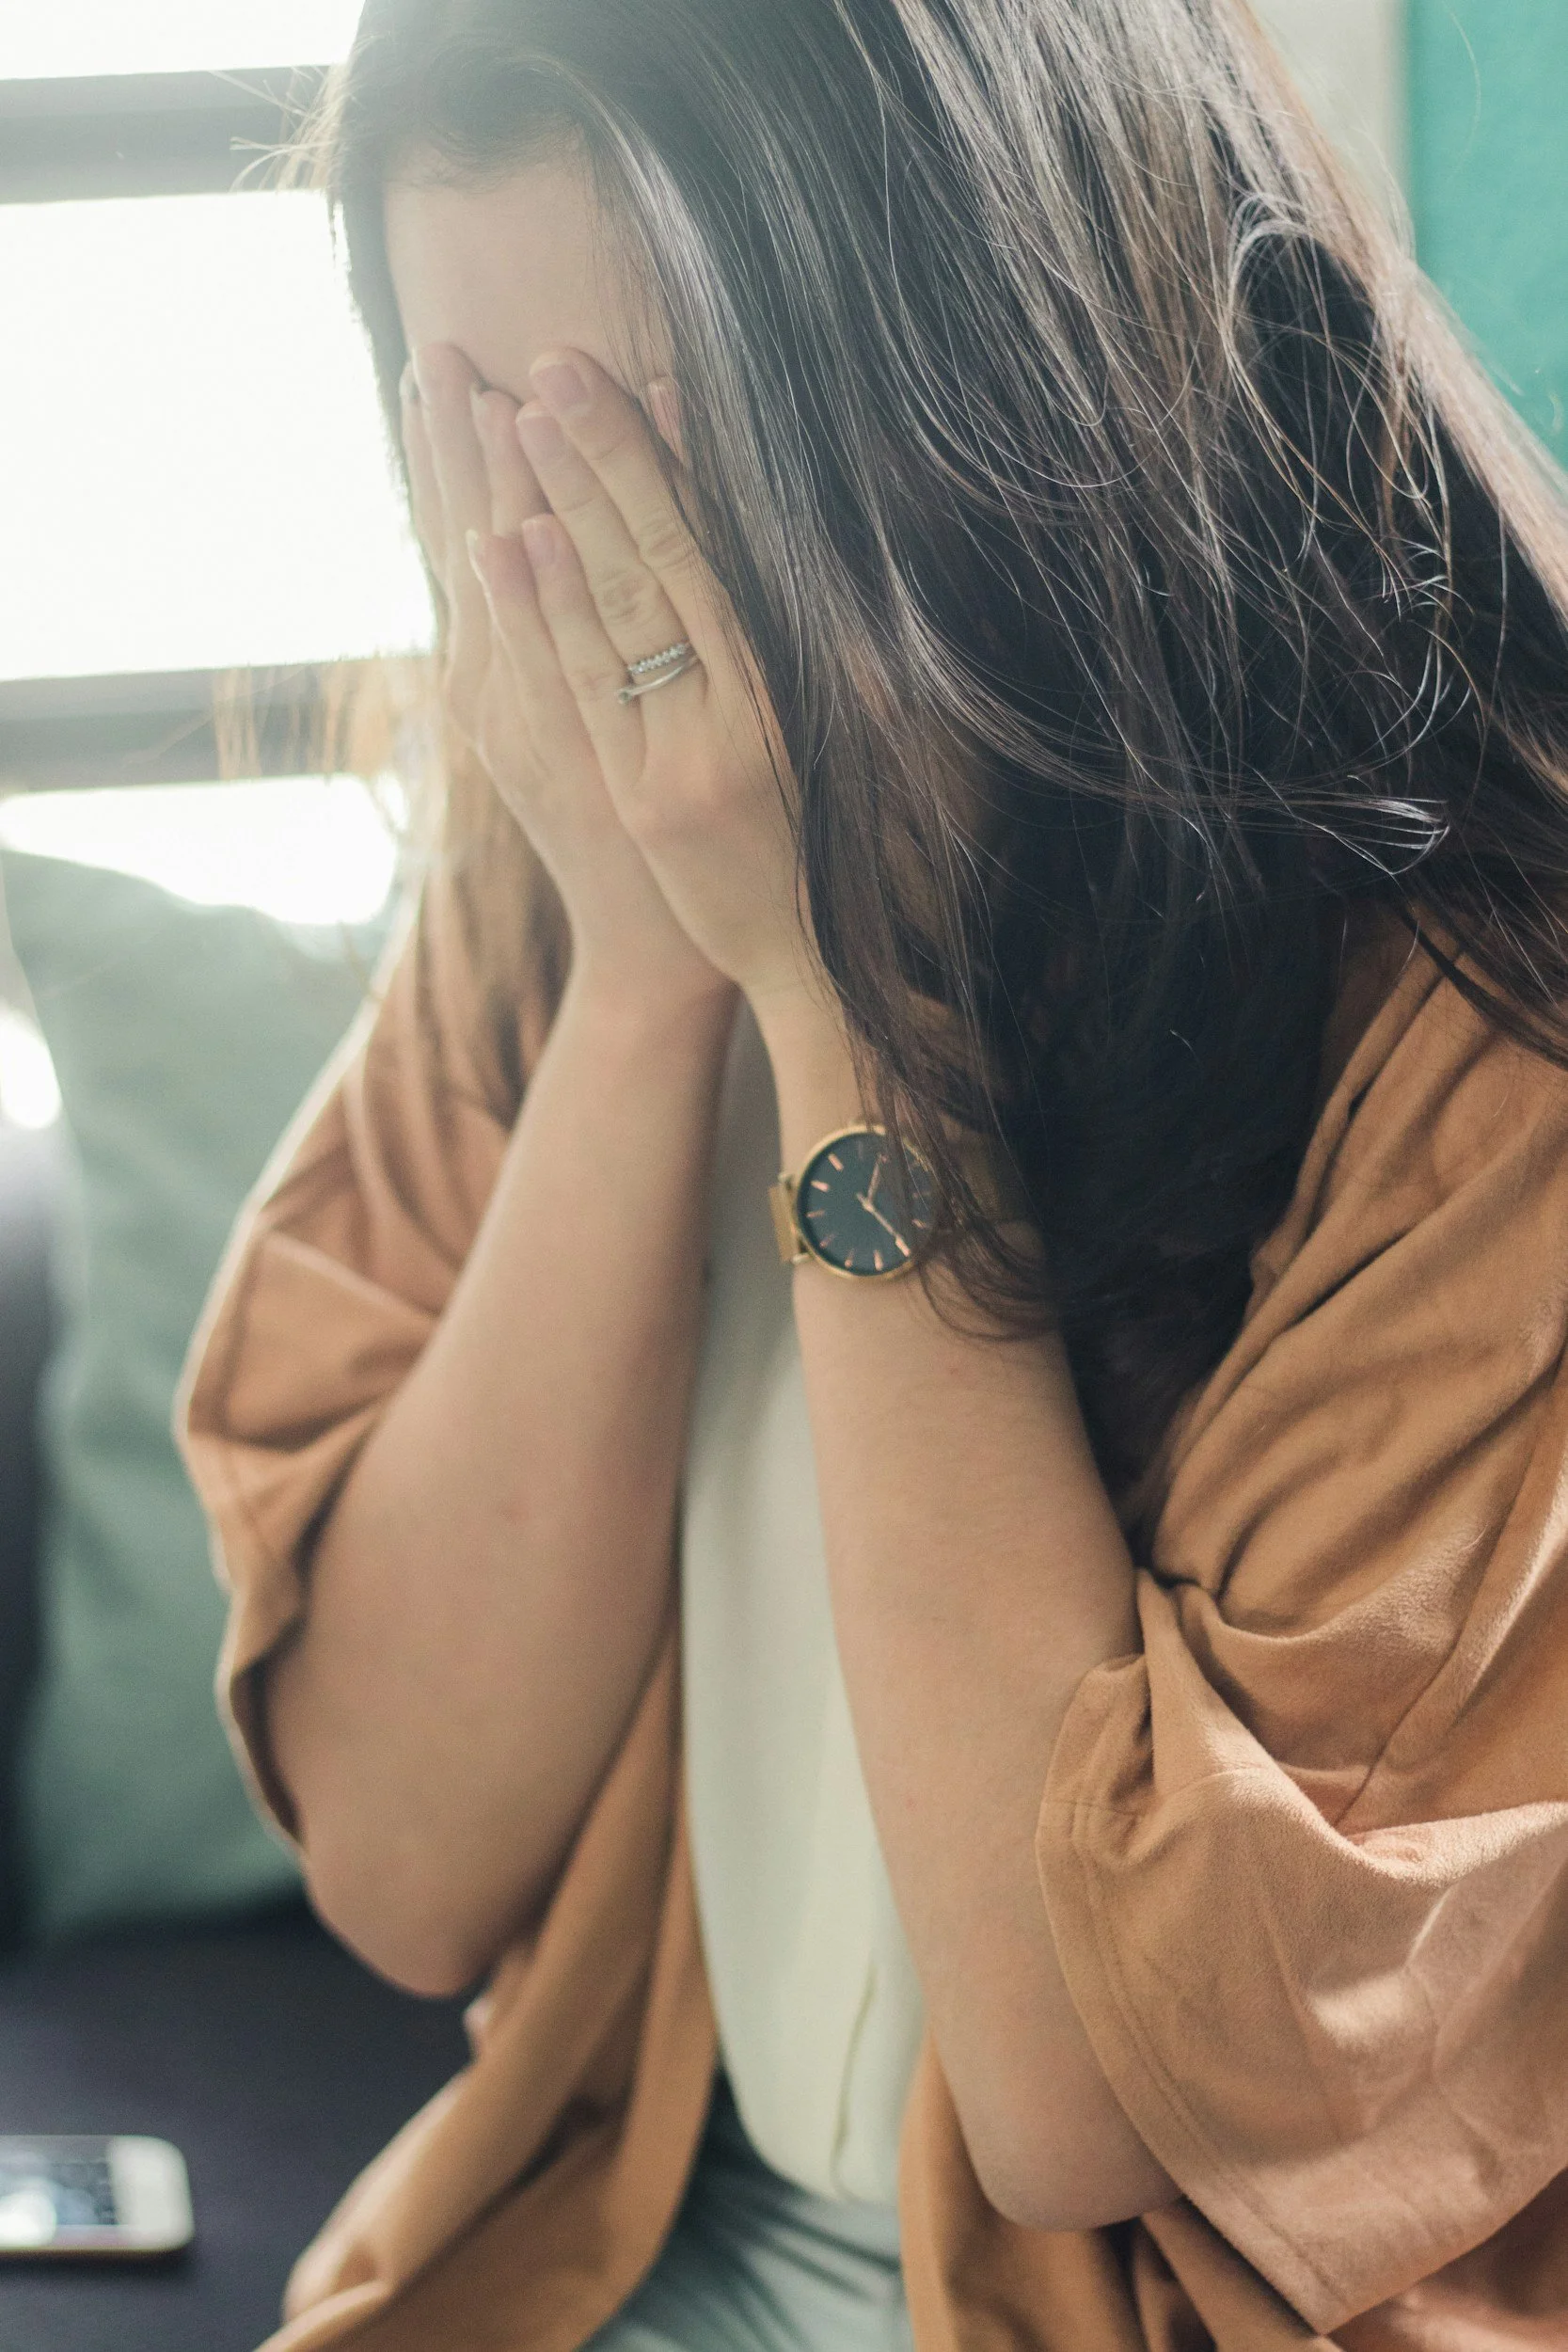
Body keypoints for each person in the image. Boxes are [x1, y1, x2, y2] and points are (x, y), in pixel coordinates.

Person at [180, 0, 1568, 2344]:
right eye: (486, 436)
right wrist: (640, 984)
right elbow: (410, 1863)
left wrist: (838, 1008)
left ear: (988, 389)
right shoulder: (566, 836)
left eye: (656, 445)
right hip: (611, 2241)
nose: (578, 575)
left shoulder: (1470, 1017)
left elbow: (1081, 2092)